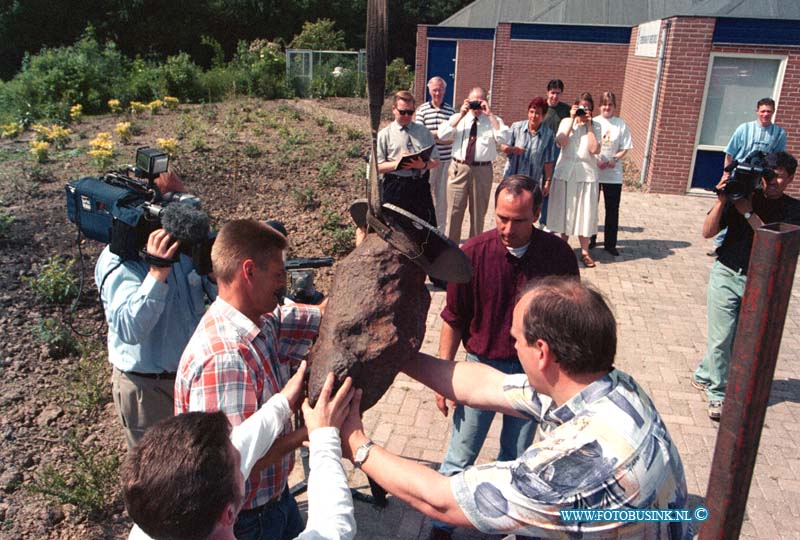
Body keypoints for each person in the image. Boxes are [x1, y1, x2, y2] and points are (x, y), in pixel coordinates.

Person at [342, 276, 689, 539]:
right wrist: (397, 355)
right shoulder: (614, 387)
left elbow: (441, 500)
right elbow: (485, 385)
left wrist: (355, 442)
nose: (513, 348)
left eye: (516, 340)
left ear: (542, 352)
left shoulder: (569, 468)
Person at [431, 175, 579, 540]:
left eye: (518, 220)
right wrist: (445, 377)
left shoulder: (558, 257)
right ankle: (440, 526)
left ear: (538, 214)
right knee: (460, 455)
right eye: (501, 218)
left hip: (534, 376)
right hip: (481, 367)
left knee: (515, 459)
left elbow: (573, 319)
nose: (507, 228)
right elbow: (453, 317)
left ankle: (499, 524)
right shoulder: (472, 254)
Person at [176, 219, 322, 540]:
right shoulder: (224, 358)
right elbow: (232, 468)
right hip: (247, 521)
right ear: (249, 272)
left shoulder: (262, 320)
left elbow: (315, 316)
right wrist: (307, 433)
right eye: (278, 274)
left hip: (274, 500)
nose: (283, 283)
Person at [124, 365, 358, 540]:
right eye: (238, 464)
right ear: (229, 514)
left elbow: (240, 444)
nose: (242, 455)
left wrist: (282, 404)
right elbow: (333, 527)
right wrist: (325, 437)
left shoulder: (154, 518)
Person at [95, 170, 216, 449]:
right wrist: (157, 272)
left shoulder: (185, 249)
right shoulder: (118, 260)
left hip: (191, 378)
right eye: (172, 201)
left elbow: (221, 299)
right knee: (157, 479)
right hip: (147, 389)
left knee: (198, 464)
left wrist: (212, 273)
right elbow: (130, 329)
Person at [693, 151, 800, 420]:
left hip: (760, 280)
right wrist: (722, 202)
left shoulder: (793, 210)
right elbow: (707, 233)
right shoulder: (743, 193)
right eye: (769, 176)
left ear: (790, 180)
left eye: (780, 178)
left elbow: (774, 245)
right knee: (722, 336)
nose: (773, 182)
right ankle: (718, 393)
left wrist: (749, 213)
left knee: (738, 336)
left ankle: (705, 372)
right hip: (727, 274)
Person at [710, 97, 787, 254]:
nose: (766, 114)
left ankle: (748, 241)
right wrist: (726, 174)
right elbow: (730, 153)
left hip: (760, 178)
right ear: (757, 111)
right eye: (763, 111)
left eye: (769, 111)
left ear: (773, 112)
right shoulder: (744, 129)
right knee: (730, 205)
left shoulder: (779, 133)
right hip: (739, 175)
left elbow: (778, 158)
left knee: (752, 207)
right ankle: (720, 243)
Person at [438, 86, 509, 244]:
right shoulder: (458, 118)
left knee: (478, 214)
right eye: (473, 102)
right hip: (459, 169)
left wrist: (489, 115)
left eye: (480, 102)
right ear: (467, 101)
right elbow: (443, 135)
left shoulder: (493, 120)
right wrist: (461, 114)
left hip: (482, 170)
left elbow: (504, 139)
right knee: (454, 213)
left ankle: (474, 250)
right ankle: (451, 251)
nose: (476, 107)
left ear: (486, 102)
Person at [548, 92, 602, 268]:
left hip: (586, 174)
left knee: (585, 212)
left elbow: (594, 149)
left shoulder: (596, 126)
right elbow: (561, 141)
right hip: (565, 172)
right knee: (565, 210)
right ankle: (562, 249)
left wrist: (590, 126)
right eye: (581, 107)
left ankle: (585, 252)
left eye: (587, 108)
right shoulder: (565, 122)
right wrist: (572, 119)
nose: (583, 111)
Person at [377, 90, 440, 225]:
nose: (406, 116)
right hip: (395, 187)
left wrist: (422, 165)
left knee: (427, 228)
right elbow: (377, 167)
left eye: (410, 112)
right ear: (394, 109)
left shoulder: (424, 132)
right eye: (402, 112)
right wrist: (397, 163)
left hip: (420, 186)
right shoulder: (384, 135)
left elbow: (436, 161)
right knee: (395, 228)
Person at [590, 91, 633, 256]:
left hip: (613, 175)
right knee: (592, 208)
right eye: (604, 104)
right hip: (595, 172)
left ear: (614, 106)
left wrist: (615, 158)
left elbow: (625, 148)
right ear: (600, 106)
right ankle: (591, 239)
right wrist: (596, 159)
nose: (607, 107)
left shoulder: (620, 124)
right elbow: (588, 145)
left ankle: (610, 244)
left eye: (610, 104)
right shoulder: (593, 123)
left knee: (612, 209)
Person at [416, 76, 456, 235]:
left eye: (440, 89)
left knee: (442, 200)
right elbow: (419, 135)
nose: (437, 93)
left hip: (446, 162)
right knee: (423, 196)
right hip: (428, 162)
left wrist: (431, 135)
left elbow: (453, 138)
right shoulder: (422, 110)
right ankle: (422, 230)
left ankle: (440, 233)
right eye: (434, 90)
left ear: (445, 91)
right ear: (429, 91)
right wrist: (441, 135)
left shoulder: (451, 112)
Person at [501, 97, 556, 193]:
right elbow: (504, 147)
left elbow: (548, 161)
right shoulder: (516, 127)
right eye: (531, 112)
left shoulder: (548, 134)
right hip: (512, 180)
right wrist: (514, 149)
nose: (533, 116)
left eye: (538, 113)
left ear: (543, 116)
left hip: (532, 183)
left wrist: (547, 182)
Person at [540, 79, 571, 227]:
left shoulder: (566, 110)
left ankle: (545, 220)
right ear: (547, 92)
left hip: (556, 152)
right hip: (539, 150)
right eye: (552, 93)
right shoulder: (541, 107)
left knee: (548, 185)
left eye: (558, 93)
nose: (555, 96)